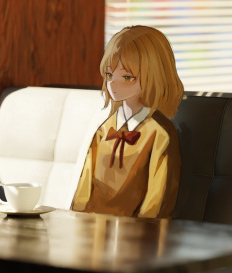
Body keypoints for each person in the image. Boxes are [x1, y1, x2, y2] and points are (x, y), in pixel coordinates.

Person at [70, 25, 182, 218]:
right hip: (92, 234)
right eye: (109, 75)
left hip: (136, 238)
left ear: (153, 76)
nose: (113, 83)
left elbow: (155, 203)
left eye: (127, 77)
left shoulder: (159, 134)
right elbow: (83, 191)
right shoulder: (104, 130)